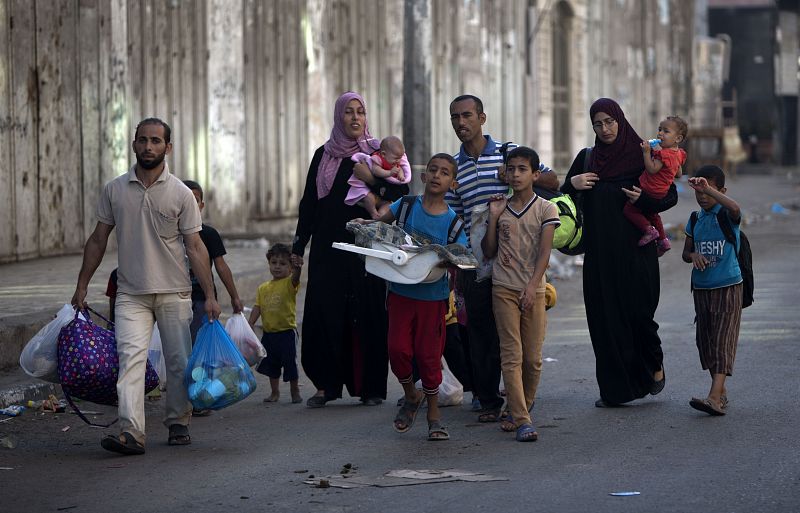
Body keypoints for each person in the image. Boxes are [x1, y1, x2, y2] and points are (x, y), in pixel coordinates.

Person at [71, 118, 221, 455]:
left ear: (168, 147)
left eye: (156, 141)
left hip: (173, 291)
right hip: (130, 293)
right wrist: (81, 285)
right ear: (134, 144)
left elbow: (196, 247)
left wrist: (210, 295)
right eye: (142, 140)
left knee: (179, 361)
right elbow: (97, 240)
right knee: (130, 361)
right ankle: (131, 433)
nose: (148, 147)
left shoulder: (181, 193)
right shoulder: (115, 189)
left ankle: (178, 421)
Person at [293, 91, 408, 408]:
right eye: (349, 112)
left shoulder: (378, 152)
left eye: (361, 111)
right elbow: (309, 205)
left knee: (369, 311)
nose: (355, 118)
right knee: (324, 311)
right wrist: (298, 245)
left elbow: (402, 191)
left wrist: (371, 177)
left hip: (367, 245)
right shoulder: (324, 155)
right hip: (328, 246)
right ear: (338, 116)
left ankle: (371, 388)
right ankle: (325, 385)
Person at [447, 94, 557, 422]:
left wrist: (508, 174)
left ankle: (520, 396)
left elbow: (550, 179)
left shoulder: (509, 155)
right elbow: (454, 216)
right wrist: (458, 259)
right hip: (476, 263)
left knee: (519, 338)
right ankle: (488, 398)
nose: (461, 123)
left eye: (467, 115)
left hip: (518, 263)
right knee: (480, 332)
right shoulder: (454, 166)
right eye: (455, 117)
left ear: (482, 118)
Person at [560, 98, 676, 407]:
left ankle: (653, 364)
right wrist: (572, 184)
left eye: (609, 122)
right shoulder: (588, 159)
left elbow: (670, 196)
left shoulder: (643, 156)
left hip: (638, 253)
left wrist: (644, 201)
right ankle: (615, 391)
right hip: (599, 256)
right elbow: (560, 203)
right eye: (598, 124)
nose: (605, 128)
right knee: (605, 322)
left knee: (640, 315)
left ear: (620, 121)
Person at [357, 153, 467, 441]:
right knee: (398, 351)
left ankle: (434, 415)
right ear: (423, 175)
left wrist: (447, 260)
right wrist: (365, 224)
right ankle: (411, 395)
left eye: (444, 172)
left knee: (429, 357)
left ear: (452, 183)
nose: (436, 176)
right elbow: (381, 225)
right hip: (400, 292)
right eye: (432, 170)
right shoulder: (405, 206)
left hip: (433, 298)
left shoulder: (453, 223)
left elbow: (462, 255)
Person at [481, 147, 559, 442]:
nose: (515, 174)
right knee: (511, 355)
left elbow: (544, 251)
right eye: (511, 169)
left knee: (533, 358)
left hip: (534, 288)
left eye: (522, 169)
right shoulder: (501, 208)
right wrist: (493, 217)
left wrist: (532, 285)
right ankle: (523, 419)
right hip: (502, 287)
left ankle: (521, 405)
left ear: (535, 174)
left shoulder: (545, 209)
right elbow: (489, 251)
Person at [682, 166, 743, 416]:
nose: (703, 196)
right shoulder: (695, 219)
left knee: (722, 340)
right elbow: (686, 253)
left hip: (728, 285)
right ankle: (721, 392)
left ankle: (714, 397)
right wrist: (693, 255)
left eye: (708, 190)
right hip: (702, 288)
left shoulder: (726, 214)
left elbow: (736, 209)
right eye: (699, 191)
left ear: (721, 191)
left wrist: (709, 189)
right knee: (705, 343)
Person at [181, 180, 244, 342]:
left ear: (201, 206)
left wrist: (234, 296)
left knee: (201, 342)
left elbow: (221, 267)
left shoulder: (209, 234)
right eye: (184, 199)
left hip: (203, 298)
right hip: (176, 298)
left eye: (193, 200)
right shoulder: (170, 235)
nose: (189, 204)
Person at [624, 116, 688, 255]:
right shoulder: (679, 154)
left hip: (650, 188)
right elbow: (678, 174)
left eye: (666, 131)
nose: (660, 134)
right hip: (662, 191)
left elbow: (652, 169)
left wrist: (646, 153)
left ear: (677, 139)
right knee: (654, 214)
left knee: (630, 210)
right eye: (660, 129)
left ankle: (649, 230)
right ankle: (663, 240)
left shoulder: (663, 154)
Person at [248, 243, 303, 404]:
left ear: (290, 268)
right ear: (269, 263)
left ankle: (295, 389)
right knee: (272, 365)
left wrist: (298, 268)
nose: (277, 267)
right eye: (274, 262)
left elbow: (296, 278)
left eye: (283, 263)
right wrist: (250, 323)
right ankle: (275, 392)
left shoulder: (289, 283)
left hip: (287, 332)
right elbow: (258, 307)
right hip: (269, 333)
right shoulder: (263, 288)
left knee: (289, 363)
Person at [346, 135, 412, 219]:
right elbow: (376, 170)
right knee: (369, 198)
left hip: (378, 212)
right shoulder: (377, 158)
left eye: (399, 158)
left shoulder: (380, 149)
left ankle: (378, 218)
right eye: (396, 158)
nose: (398, 161)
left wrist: (401, 175)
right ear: (383, 154)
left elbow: (402, 192)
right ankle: (373, 212)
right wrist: (389, 173)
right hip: (352, 213)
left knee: (388, 206)